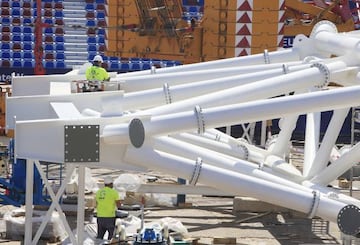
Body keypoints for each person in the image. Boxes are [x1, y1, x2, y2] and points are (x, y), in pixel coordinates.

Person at [95, 176, 121, 240]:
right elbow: (118, 205)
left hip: (100, 217)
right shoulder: (114, 192)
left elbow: (96, 203)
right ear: (111, 184)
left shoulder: (98, 192)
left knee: (100, 236)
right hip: (110, 217)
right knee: (111, 237)